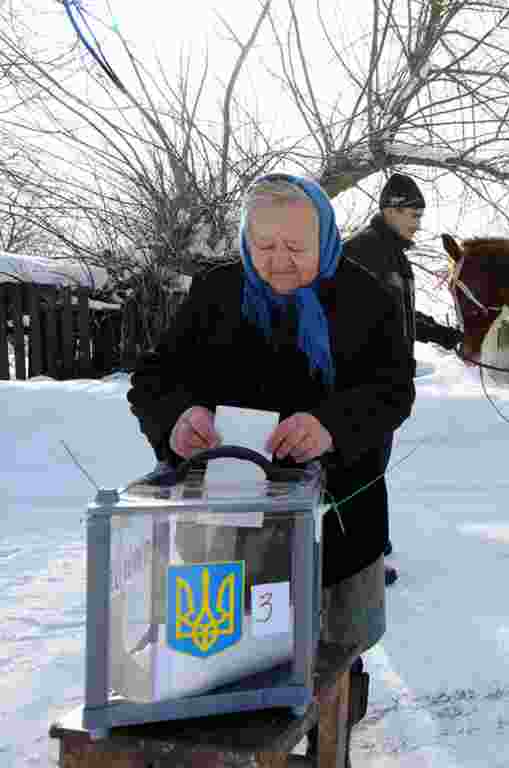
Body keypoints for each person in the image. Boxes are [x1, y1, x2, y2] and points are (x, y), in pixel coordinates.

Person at [126, 173, 415, 743]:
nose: (278, 262)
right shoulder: (217, 292)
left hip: (337, 516)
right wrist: (178, 418)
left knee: (331, 654)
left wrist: (331, 425)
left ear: (325, 239)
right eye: (263, 247)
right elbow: (155, 379)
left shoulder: (367, 298)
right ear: (244, 239)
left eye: (295, 249)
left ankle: (334, 731)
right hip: (227, 520)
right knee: (231, 658)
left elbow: (392, 391)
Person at [343, 172, 425, 586]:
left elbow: (402, 317)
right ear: (390, 209)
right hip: (365, 382)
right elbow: (352, 321)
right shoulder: (363, 250)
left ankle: (372, 545)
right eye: (412, 213)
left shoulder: (394, 254)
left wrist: (446, 336)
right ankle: (362, 562)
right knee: (362, 473)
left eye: (420, 214)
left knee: (373, 469)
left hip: (387, 381)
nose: (418, 222)